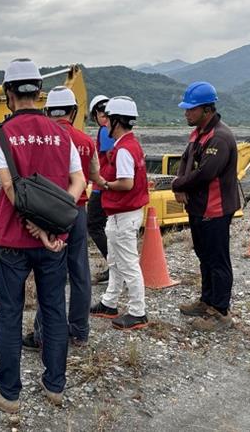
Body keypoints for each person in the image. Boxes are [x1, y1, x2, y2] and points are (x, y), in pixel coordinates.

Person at [0, 58, 86, 414]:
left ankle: (8, 392)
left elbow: (9, 188)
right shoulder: (62, 133)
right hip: (54, 241)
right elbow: (79, 183)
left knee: (10, 312)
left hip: (12, 238)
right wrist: (52, 225)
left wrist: (36, 226)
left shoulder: (0, 134)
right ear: (39, 93)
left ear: (9, 94)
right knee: (54, 308)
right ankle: (54, 385)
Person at [22, 86, 99, 351]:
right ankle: (79, 332)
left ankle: (43, 335)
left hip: (48, 215)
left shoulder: (43, 141)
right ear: (74, 111)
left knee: (50, 274)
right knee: (80, 272)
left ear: (46, 111)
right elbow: (92, 176)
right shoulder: (87, 142)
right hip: (77, 212)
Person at [171, 81, 239, 332]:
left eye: (191, 109)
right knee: (204, 256)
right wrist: (179, 185)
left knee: (218, 260)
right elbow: (187, 159)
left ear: (207, 110)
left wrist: (179, 184)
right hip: (199, 208)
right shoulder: (199, 133)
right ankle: (207, 301)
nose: (186, 113)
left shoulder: (220, 137)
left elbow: (205, 173)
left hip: (216, 209)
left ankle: (221, 312)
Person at [89, 96, 150, 331]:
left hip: (123, 214)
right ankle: (109, 302)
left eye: (108, 119)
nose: (105, 124)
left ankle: (138, 311)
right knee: (115, 261)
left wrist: (104, 183)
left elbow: (126, 183)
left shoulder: (124, 149)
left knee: (128, 263)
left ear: (116, 121)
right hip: (121, 214)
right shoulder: (129, 145)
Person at [86, 95, 114, 284]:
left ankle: (114, 266)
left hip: (101, 187)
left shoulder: (104, 131)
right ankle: (114, 266)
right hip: (106, 186)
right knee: (106, 228)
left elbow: (111, 157)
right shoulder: (110, 130)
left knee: (94, 226)